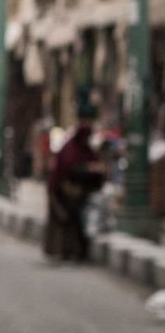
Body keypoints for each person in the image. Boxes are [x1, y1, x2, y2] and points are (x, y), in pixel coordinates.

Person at [44, 100, 104, 262]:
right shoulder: (70, 149)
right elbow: (66, 169)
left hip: (76, 192)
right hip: (62, 191)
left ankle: (77, 252)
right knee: (66, 220)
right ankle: (65, 252)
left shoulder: (85, 149)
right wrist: (86, 168)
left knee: (76, 221)